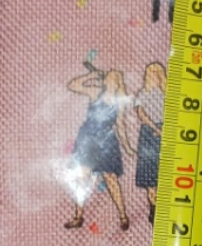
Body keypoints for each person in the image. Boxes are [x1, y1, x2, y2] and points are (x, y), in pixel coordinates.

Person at [64, 67, 135, 231]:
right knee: (82, 176)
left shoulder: (119, 102)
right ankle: (78, 216)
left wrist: (128, 147)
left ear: (118, 83)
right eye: (109, 77)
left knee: (111, 178)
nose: (111, 80)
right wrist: (90, 76)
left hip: (107, 141)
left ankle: (123, 216)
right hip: (88, 139)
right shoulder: (96, 92)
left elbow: (121, 126)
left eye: (115, 78)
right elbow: (72, 85)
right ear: (105, 80)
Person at [134, 62, 166, 224]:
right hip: (148, 134)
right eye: (149, 74)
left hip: (166, 132)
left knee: (164, 172)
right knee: (149, 176)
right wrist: (155, 128)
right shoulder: (142, 94)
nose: (151, 77)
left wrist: (164, 129)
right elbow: (141, 114)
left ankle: (164, 208)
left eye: (154, 74)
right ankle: (154, 209)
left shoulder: (167, 94)